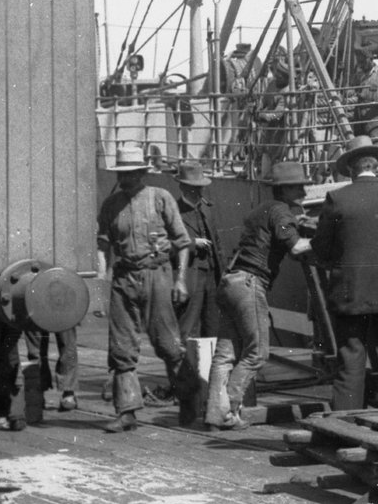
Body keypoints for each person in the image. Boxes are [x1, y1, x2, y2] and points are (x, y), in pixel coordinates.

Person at [311, 135, 378, 412]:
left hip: (352, 292)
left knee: (351, 360)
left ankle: (345, 425)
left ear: (350, 168)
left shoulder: (337, 198)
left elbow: (322, 249)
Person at [207, 160, 313, 430]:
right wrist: (321, 236)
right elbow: (297, 247)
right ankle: (229, 411)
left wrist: (296, 221)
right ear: (286, 190)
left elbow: (272, 230)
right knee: (257, 353)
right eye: (299, 186)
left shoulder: (263, 210)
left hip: (230, 281)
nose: (303, 191)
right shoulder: (281, 212)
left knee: (225, 354)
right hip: (250, 284)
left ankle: (214, 413)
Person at [95, 157, 199, 432]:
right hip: (123, 278)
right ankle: (127, 411)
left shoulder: (161, 198)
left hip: (158, 275)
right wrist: (100, 289)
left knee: (168, 344)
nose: (125, 178)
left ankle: (189, 402)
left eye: (131, 173)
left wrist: (180, 281)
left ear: (142, 173)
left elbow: (182, 243)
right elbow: (103, 249)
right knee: (121, 347)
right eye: (122, 174)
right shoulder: (110, 205)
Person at [171, 161, 227, 431]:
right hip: (190, 280)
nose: (197, 193)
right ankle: (186, 402)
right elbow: (162, 243)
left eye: (200, 188)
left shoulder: (208, 209)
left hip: (212, 281)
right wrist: (191, 244)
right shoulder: (173, 211)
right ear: (182, 187)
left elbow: (219, 245)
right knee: (184, 337)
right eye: (193, 189)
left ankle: (209, 401)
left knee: (212, 337)